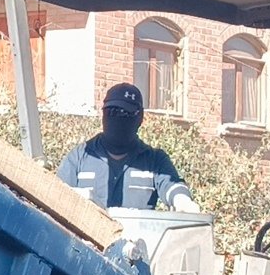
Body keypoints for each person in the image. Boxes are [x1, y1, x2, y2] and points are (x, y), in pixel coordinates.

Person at [56, 82, 195, 212]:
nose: (117, 118)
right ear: (102, 114)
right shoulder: (80, 157)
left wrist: (183, 201)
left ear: (140, 117)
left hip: (138, 237)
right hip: (86, 237)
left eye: (125, 113)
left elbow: (172, 185)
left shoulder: (154, 160)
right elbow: (57, 196)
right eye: (111, 112)